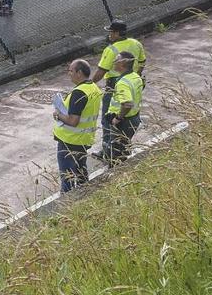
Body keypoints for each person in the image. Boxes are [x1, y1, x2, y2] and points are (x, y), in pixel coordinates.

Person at [90, 18, 147, 157]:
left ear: (117, 33)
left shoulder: (111, 50)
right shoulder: (136, 43)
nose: (109, 35)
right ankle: (124, 147)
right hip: (133, 80)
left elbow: (101, 71)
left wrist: (89, 84)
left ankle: (107, 151)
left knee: (108, 119)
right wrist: (137, 75)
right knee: (132, 113)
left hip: (115, 86)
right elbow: (142, 61)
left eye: (111, 32)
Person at [52, 59, 103, 192]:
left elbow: (73, 121)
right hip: (84, 139)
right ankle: (84, 195)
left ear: (79, 73)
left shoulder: (79, 92)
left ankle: (67, 203)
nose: (69, 73)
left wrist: (58, 115)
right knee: (81, 172)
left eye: (71, 71)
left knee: (67, 176)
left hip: (70, 140)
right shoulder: (93, 88)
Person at [104, 51, 144, 166]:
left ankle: (115, 174)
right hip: (134, 119)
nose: (113, 62)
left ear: (122, 64)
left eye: (116, 60)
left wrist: (118, 118)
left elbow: (127, 104)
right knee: (123, 148)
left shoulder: (123, 83)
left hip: (123, 123)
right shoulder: (135, 76)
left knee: (115, 154)